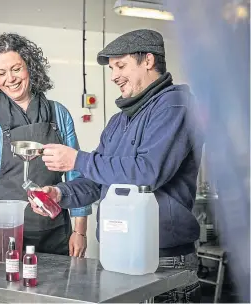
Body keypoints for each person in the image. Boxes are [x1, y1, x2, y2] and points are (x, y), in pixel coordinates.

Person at [35, 29, 203, 302]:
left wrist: (77, 159)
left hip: (165, 262)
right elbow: (96, 179)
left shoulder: (175, 105)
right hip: (118, 255)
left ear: (148, 61)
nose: (113, 75)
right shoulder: (118, 122)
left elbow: (147, 172)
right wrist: (60, 194)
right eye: (112, 68)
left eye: (121, 66)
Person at [0, 33, 92, 257]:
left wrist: (80, 232)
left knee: (57, 291)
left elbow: (76, 175)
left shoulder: (58, 113)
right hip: (4, 232)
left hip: (55, 231)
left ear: (30, 67)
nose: (10, 79)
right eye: (1, 73)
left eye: (16, 69)